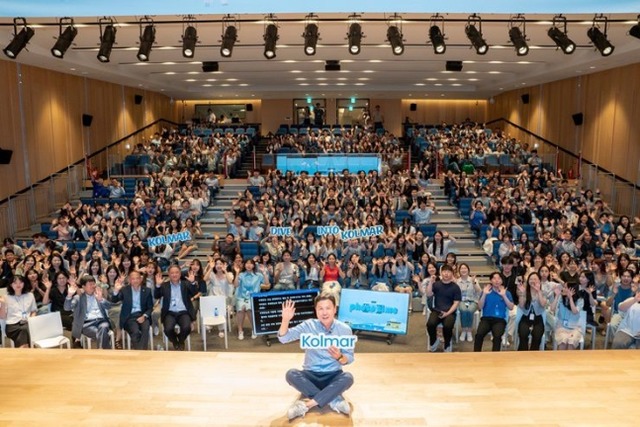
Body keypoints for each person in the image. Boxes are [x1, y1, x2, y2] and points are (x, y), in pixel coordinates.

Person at [278, 295, 354, 421]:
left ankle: (306, 405)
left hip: (333, 375)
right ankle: (333, 399)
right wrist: (285, 320)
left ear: (335, 309)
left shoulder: (345, 329)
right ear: (316, 310)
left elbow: (349, 358)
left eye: (328, 308)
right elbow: (284, 338)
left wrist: (339, 357)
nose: (324, 312)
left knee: (348, 378)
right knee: (291, 374)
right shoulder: (308, 325)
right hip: (310, 375)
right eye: (320, 309)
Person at [154, 265, 197, 351]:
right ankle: (175, 341)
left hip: (183, 312)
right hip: (169, 313)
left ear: (180, 274)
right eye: (172, 273)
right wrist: (158, 286)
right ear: (169, 274)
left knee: (186, 328)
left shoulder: (186, 284)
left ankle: (180, 341)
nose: (174, 275)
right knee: (168, 329)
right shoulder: (164, 286)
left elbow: (194, 293)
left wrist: (192, 283)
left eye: (176, 272)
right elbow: (156, 295)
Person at [64, 275, 113, 349]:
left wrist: (101, 299)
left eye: (94, 284)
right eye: (90, 284)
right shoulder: (78, 298)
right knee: (103, 333)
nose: (93, 286)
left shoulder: (98, 295)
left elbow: (109, 306)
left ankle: (103, 353)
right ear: (83, 286)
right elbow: (67, 308)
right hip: (87, 324)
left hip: (102, 321)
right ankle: (106, 352)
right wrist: (69, 295)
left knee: (103, 327)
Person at [110, 271, 154, 350]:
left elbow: (150, 307)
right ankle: (143, 352)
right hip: (129, 317)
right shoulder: (124, 290)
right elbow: (114, 300)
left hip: (142, 315)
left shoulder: (147, 290)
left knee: (145, 329)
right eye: (133, 279)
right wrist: (116, 290)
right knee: (135, 331)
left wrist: (144, 316)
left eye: (137, 278)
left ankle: (140, 351)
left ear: (141, 279)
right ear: (130, 280)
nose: (135, 280)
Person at [473, 272, 515, 352]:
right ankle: (476, 354)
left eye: (499, 278)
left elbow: (511, 307)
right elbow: (479, 307)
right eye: (494, 278)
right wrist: (484, 294)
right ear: (491, 280)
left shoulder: (506, 292)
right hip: (486, 319)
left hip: (499, 320)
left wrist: (504, 296)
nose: (496, 280)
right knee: (479, 335)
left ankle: (495, 357)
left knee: (497, 336)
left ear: (502, 280)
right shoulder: (485, 291)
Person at [426, 265, 461, 352]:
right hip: (437, 311)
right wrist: (431, 282)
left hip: (450, 312)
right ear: (441, 273)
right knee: (430, 324)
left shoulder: (455, 287)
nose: (446, 274)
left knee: (448, 326)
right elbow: (428, 294)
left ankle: (447, 344)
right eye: (444, 271)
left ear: (452, 274)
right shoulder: (436, 284)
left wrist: (447, 313)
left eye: (449, 272)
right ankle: (434, 341)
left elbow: (456, 303)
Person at [0, 276, 37, 347]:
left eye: (20, 282)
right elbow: (2, 316)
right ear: (11, 285)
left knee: (25, 329)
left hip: (27, 322)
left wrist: (31, 320)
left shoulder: (30, 295)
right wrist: (3, 304)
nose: (18, 285)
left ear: (24, 284)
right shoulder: (5, 297)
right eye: (15, 283)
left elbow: (33, 311)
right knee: (26, 329)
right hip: (12, 325)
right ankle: (28, 349)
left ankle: (23, 350)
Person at [516, 272, 547, 351]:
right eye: (531, 279)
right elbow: (521, 305)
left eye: (535, 279)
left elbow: (543, 304)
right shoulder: (524, 291)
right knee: (523, 333)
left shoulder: (543, 292)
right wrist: (522, 294)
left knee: (537, 335)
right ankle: (523, 354)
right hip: (526, 317)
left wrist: (538, 291)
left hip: (538, 318)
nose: (533, 281)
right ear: (528, 281)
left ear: (539, 281)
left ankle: (534, 354)